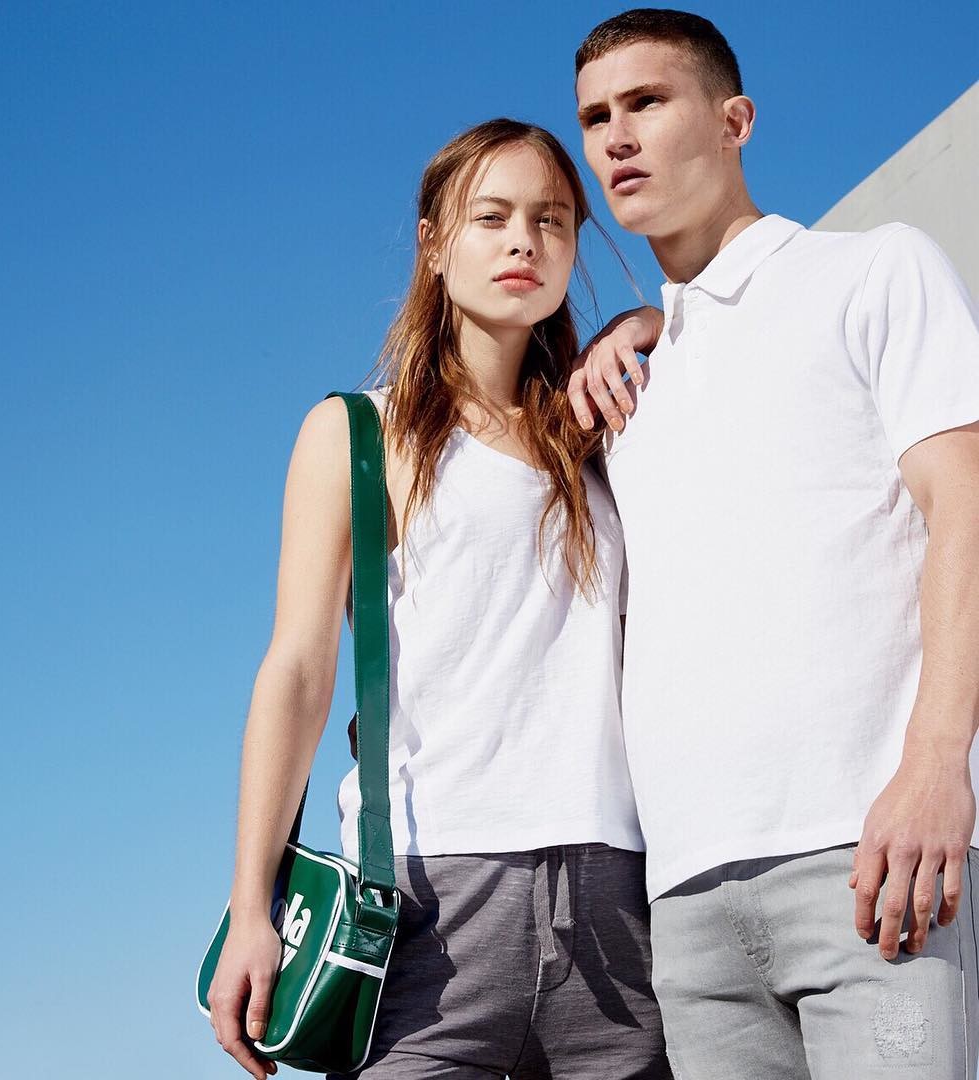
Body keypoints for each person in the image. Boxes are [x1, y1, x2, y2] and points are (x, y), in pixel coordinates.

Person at [205, 118, 671, 1080]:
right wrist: (252, 904)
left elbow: (732, 324)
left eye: (551, 220)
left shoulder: (603, 431)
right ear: (433, 243)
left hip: (616, 902)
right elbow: (298, 671)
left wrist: (647, 323)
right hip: (427, 907)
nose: (523, 242)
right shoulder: (358, 434)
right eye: (490, 217)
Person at [566, 9, 979, 1078]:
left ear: (734, 120)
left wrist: (937, 763)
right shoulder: (628, 382)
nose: (616, 137)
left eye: (647, 102)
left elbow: (966, 507)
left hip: (869, 855)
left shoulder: (873, 271)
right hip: (685, 901)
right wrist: (646, 327)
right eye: (596, 118)